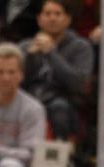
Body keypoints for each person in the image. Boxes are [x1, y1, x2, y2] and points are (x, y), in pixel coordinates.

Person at [19, 0, 92, 140]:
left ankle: (62, 156)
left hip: (64, 99)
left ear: (67, 20)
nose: (52, 18)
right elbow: (17, 82)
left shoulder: (81, 47)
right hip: (29, 97)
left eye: (57, 14)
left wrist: (51, 53)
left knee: (59, 108)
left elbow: (78, 84)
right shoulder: (25, 47)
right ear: (39, 19)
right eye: (47, 14)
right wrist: (30, 58)